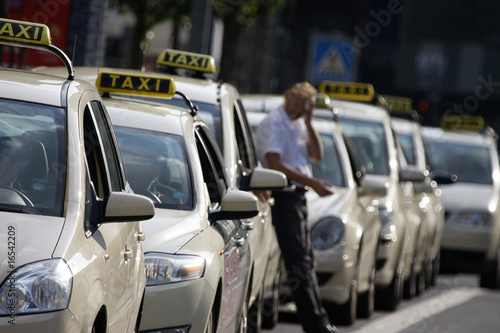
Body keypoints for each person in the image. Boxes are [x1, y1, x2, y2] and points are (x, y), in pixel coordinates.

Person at [255, 82, 339, 333]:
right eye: (299, 101)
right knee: (299, 262)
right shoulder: (275, 122)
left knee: (306, 260)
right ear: (288, 97)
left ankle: (318, 320)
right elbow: (275, 164)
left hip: (298, 198)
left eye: (306, 104)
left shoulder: (299, 122)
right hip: (284, 196)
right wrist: (313, 183)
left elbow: (316, 155)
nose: (301, 107)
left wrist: (310, 121)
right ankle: (315, 324)